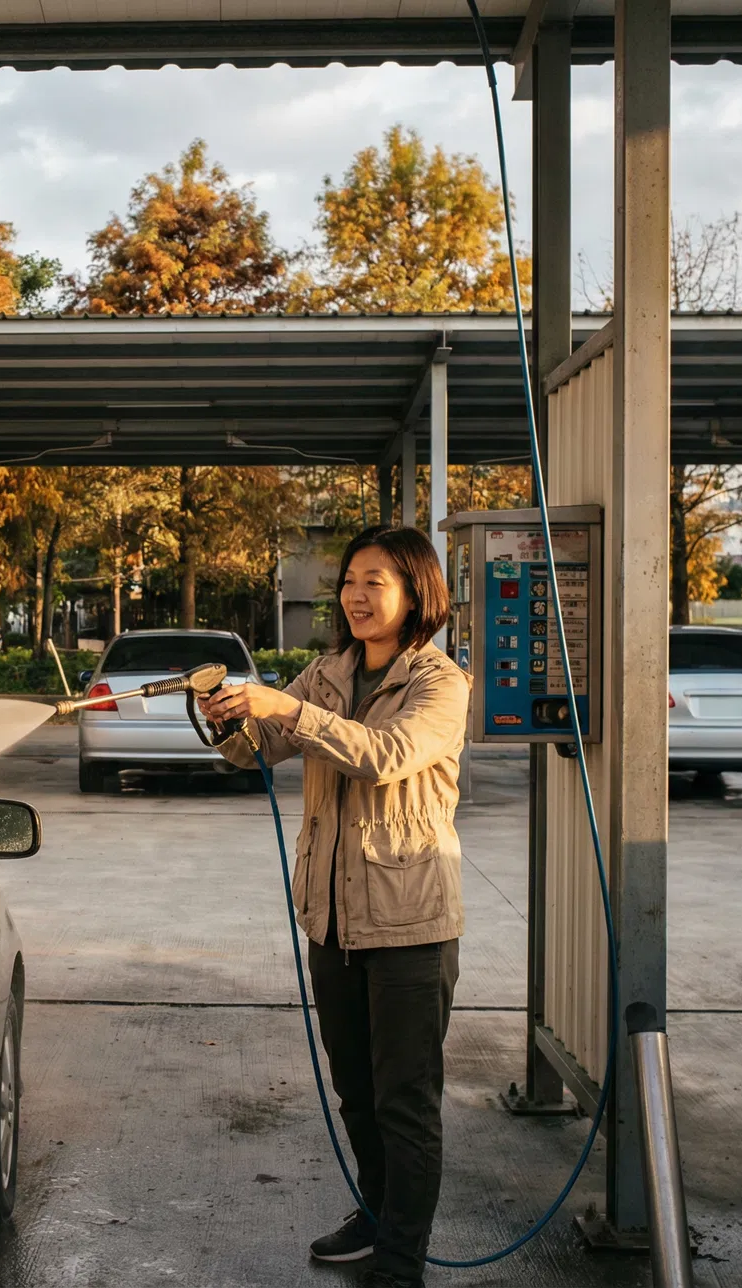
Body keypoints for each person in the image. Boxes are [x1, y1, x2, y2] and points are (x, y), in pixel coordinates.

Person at [199, 524, 469, 1288]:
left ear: (417, 591)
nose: (355, 593)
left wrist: (287, 710)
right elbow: (258, 751)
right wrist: (226, 722)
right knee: (355, 1087)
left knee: (405, 1100)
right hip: (332, 920)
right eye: (350, 579)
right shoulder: (327, 671)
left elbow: (385, 756)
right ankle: (377, 1213)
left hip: (410, 923)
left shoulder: (440, 682)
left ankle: (401, 1261)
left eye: (375, 580)